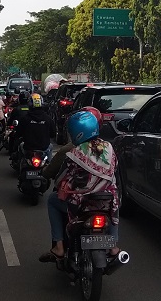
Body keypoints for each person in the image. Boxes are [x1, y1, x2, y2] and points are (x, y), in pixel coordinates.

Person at [39, 110, 119, 263]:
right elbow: (115, 170)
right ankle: (114, 246)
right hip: (106, 203)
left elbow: (61, 179)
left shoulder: (74, 153)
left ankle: (59, 247)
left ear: (77, 133)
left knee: (52, 201)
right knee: (115, 200)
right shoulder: (109, 147)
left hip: (82, 206)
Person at [15, 92, 55, 158]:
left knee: (20, 146)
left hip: (28, 147)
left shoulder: (25, 118)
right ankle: (49, 166)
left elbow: (19, 132)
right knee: (50, 146)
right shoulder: (48, 118)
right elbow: (53, 134)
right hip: (44, 148)